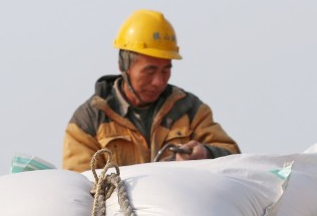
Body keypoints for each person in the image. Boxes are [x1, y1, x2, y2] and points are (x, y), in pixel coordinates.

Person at [62, 9, 240, 171]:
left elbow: (234, 158)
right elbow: (78, 183)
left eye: (166, 70)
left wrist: (206, 153)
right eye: (150, 70)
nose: (158, 81)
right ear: (124, 66)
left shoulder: (190, 110)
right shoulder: (89, 121)